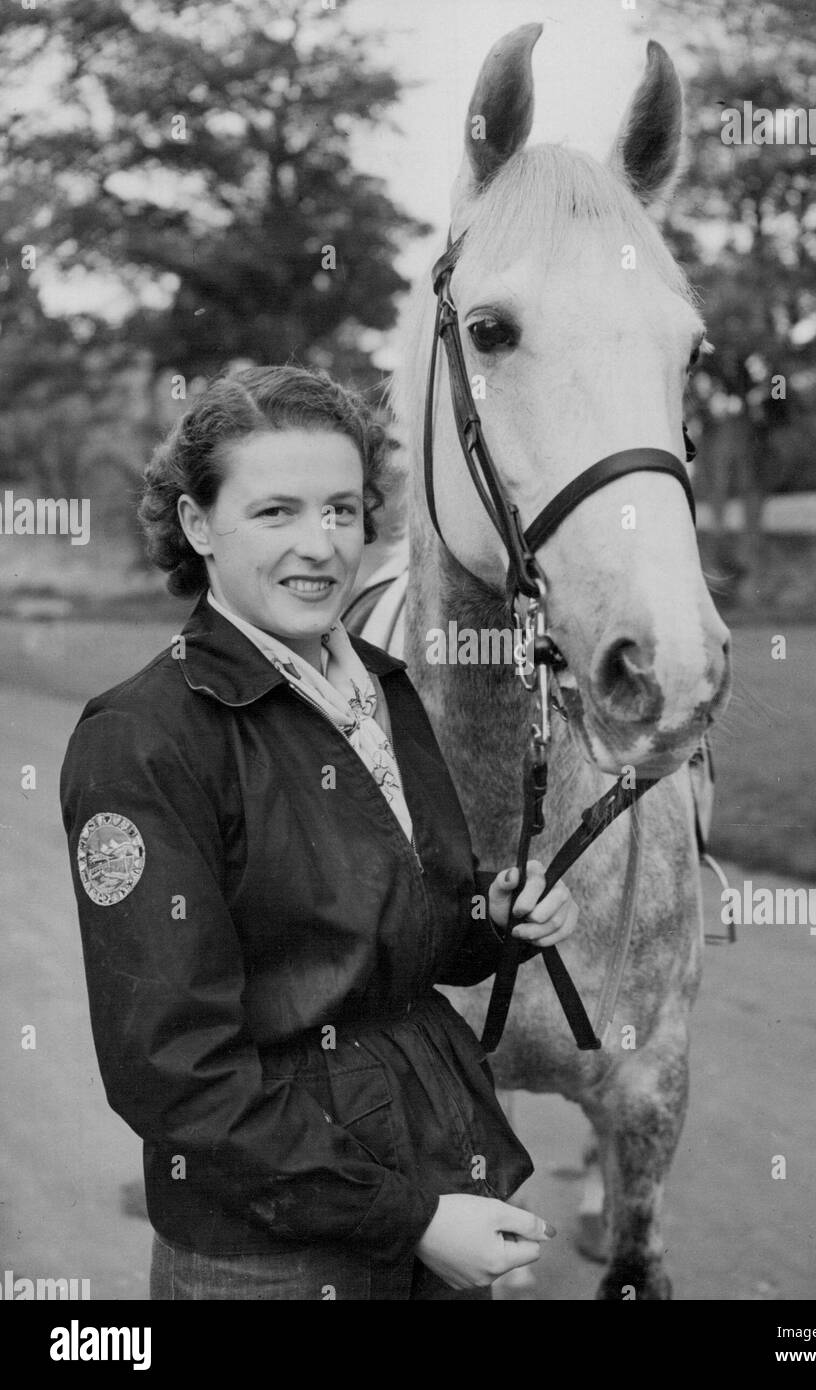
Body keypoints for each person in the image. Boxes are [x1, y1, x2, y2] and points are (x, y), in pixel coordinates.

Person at [60, 365, 580, 1301]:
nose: (321, 545)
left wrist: (494, 915)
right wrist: (412, 1221)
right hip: (270, 1257)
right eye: (276, 513)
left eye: (342, 510)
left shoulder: (380, 687)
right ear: (196, 526)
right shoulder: (142, 739)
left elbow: (410, 948)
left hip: (429, 1180)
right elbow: (173, 1077)